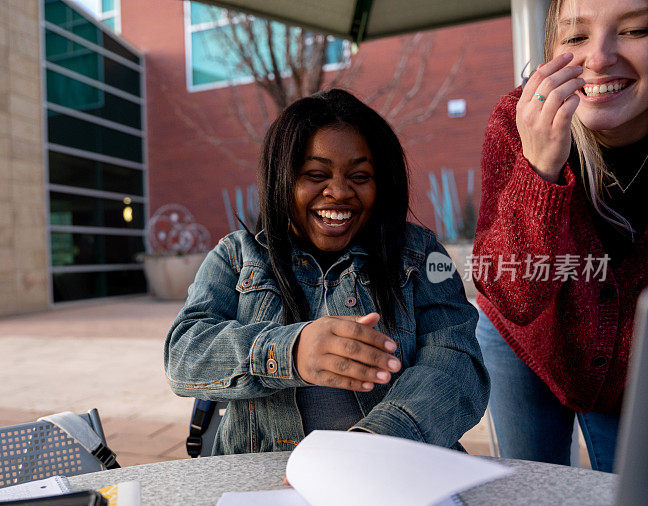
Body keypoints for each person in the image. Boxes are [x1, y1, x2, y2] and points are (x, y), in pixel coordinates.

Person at [165, 89, 489, 455]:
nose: (338, 191)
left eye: (360, 176)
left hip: (397, 472)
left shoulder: (421, 253)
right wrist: (290, 352)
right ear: (280, 178)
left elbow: (459, 362)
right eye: (316, 174)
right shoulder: (237, 256)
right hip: (263, 484)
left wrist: (383, 437)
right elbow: (183, 356)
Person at [474, 0, 648, 472]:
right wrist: (539, 167)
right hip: (526, 337)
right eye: (575, 37)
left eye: (635, 30)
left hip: (633, 366)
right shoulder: (516, 119)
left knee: (630, 502)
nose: (598, 57)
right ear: (550, 51)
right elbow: (508, 291)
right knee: (531, 496)